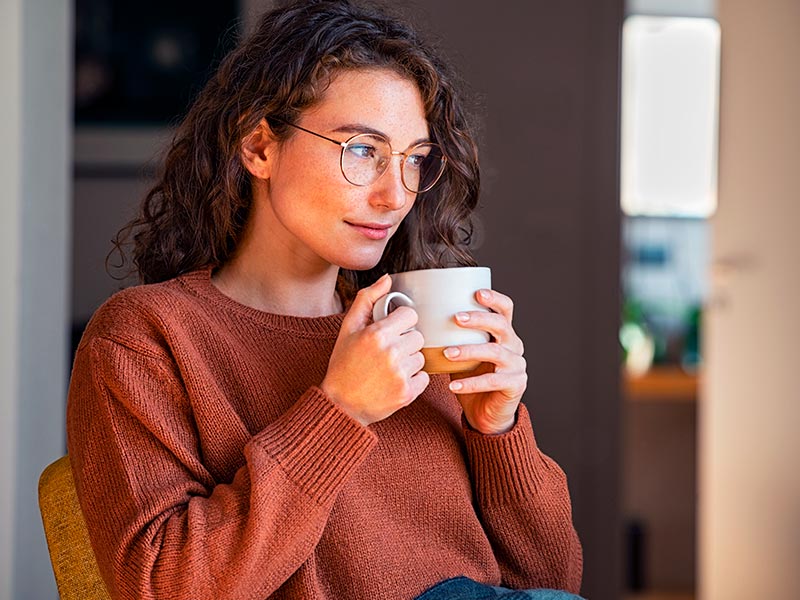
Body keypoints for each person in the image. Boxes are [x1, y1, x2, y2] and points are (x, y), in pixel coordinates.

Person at [66, 1, 584, 599]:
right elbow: (162, 587)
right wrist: (340, 412)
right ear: (259, 146)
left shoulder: (417, 329)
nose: (396, 195)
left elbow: (553, 582)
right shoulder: (145, 337)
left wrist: (498, 432)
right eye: (362, 150)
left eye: (414, 160)